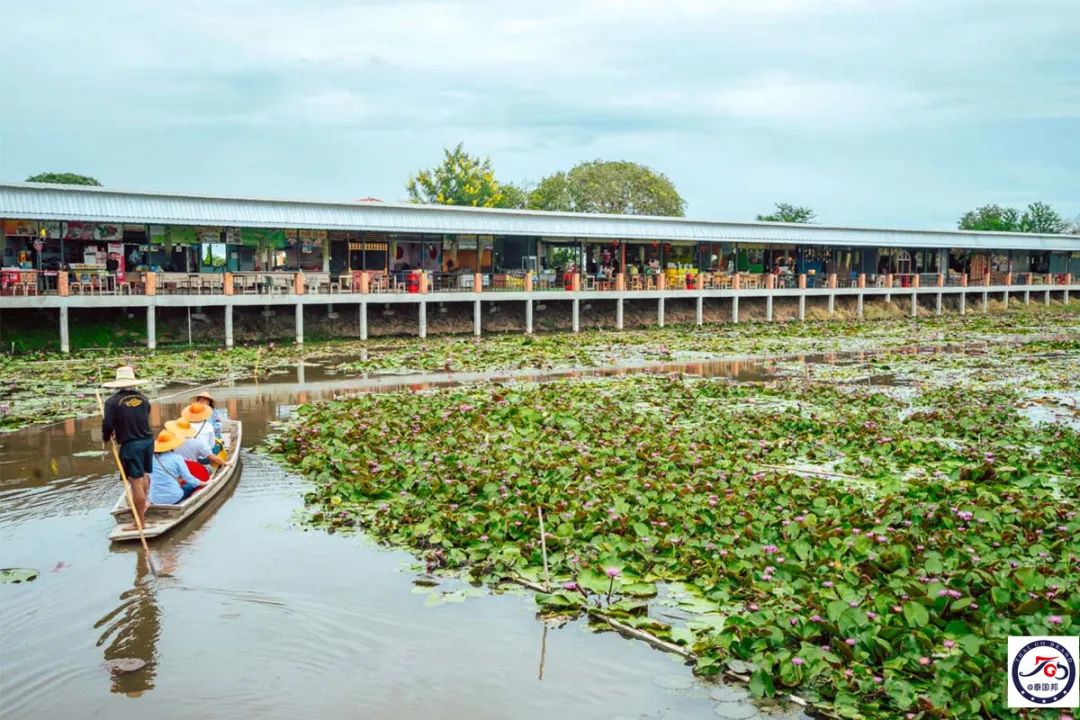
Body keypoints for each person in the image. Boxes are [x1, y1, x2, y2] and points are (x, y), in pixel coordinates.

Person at [101, 366, 153, 532]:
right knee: (144, 475)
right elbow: (142, 417)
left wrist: (106, 437)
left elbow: (108, 425)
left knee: (135, 482)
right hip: (147, 441)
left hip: (131, 445)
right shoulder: (144, 399)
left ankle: (139, 522)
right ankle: (143, 508)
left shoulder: (112, 402)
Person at [147, 430, 206, 505]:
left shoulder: (150, 458)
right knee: (190, 485)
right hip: (174, 498)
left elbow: (148, 476)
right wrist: (205, 483)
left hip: (154, 499)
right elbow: (189, 479)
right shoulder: (177, 458)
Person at [172, 403, 225, 471]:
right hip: (204, 459)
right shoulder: (208, 426)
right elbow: (212, 445)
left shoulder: (186, 426)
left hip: (187, 461)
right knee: (218, 445)